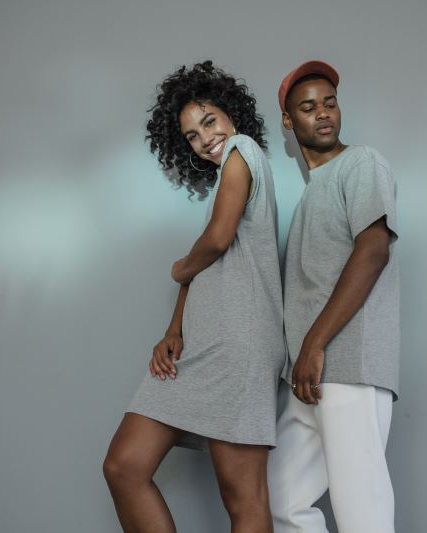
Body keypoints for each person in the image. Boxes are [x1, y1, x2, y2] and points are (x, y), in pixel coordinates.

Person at [103, 60, 284, 533]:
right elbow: (210, 264)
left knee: (243, 498)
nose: (205, 138)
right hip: (204, 344)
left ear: (231, 114)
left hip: (240, 343)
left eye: (209, 121)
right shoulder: (226, 180)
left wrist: (180, 267)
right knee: (124, 466)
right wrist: (174, 329)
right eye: (191, 135)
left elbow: (218, 241)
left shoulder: (243, 151)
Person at [267, 60, 400, 533]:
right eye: (308, 107)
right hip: (309, 376)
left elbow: (373, 250)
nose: (323, 113)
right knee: (281, 499)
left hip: (348, 368)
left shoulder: (361, 163)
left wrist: (314, 343)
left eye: (330, 103)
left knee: (362, 511)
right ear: (289, 121)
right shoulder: (312, 193)